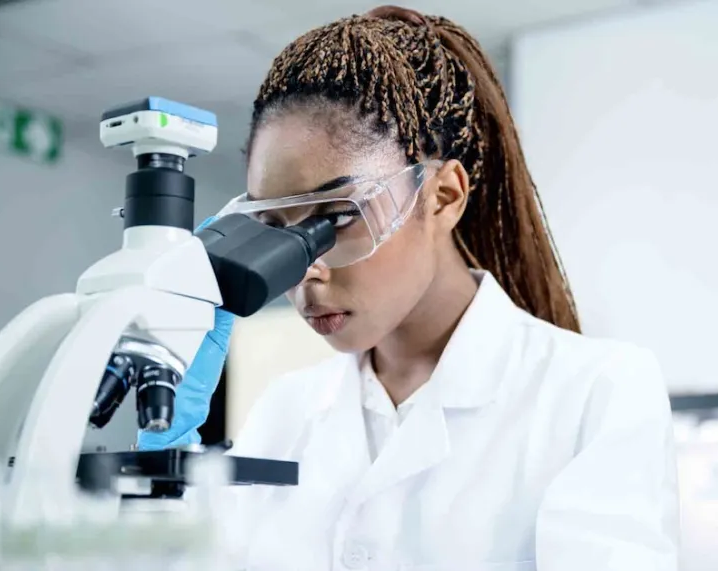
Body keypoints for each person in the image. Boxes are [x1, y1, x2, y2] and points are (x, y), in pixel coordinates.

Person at [139, 6, 679, 570]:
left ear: (443, 196)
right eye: (274, 231)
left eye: (338, 217)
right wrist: (160, 489)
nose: (303, 270)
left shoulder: (597, 392)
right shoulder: (285, 411)